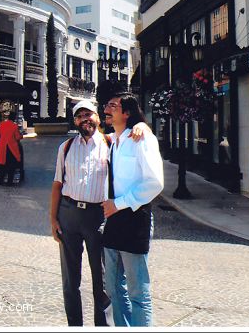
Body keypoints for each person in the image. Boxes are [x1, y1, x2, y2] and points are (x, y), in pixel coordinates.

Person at [50, 100, 150, 327]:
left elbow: (136, 135)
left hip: (98, 217)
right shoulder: (65, 148)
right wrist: (53, 219)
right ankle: (74, 325)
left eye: (89, 114)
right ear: (75, 121)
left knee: (102, 278)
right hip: (69, 215)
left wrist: (143, 127)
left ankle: (102, 325)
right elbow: (57, 184)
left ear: (97, 117)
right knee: (70, 279)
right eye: (79, 116)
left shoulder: (111, 143)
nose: (85, 119)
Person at [101, 92, 164, 327]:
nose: (107, 109)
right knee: (114, 288)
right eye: (107, 104)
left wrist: (118, 204)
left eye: (113, 105)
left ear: (127, 113)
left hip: (134, 218)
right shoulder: (113, 142)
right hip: (113, 220)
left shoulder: (142, 139)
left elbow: (154, 183)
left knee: (138, 292)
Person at [0, 102, 23, 186]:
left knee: (2, 165)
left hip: (3, 146)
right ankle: (9, 181)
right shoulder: (14, 126)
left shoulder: (2, 124)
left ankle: (0, 180)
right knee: (11, 166)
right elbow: (17, 137)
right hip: (11, 147)